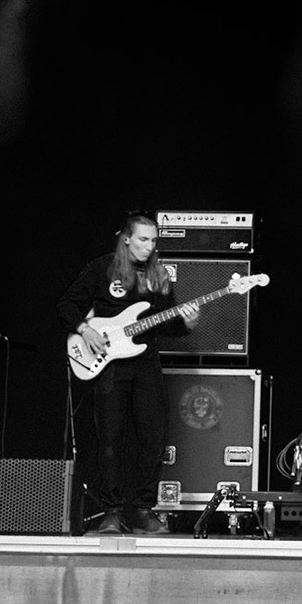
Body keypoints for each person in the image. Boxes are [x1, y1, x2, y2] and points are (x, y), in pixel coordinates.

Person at [56, 213, 198, 535]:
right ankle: (112, 511)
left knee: (153, 439)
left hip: (146, 363)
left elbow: (167, 325)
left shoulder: (159, 276)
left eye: (153, 241)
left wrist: (188, 323)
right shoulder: (102, 268)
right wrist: (84, 329)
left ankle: (144, 510)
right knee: (110, 440)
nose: (149, 246)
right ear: (126, 238)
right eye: (143, 239)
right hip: (109, 364)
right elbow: (66, 304)